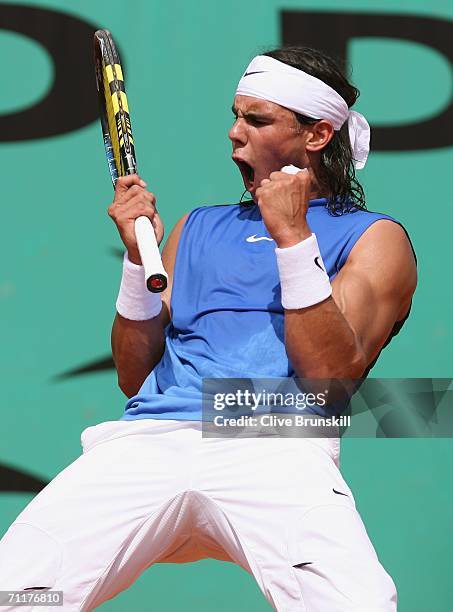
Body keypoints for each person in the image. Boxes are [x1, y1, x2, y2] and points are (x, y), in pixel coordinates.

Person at [0, 46, 416, 611]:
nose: (233, 133)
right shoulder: (197, 227)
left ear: (317, 135)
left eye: (257, 119)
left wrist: (293, 239)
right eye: (235, 114)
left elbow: (329, 377)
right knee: (17, 595)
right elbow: (134, 376)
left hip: (274, 443)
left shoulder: (375, 238)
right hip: (150, 440)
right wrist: (134, 261)